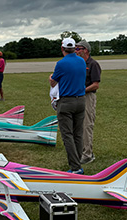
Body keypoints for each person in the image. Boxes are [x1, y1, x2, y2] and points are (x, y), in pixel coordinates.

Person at [49, 38, 86, 174]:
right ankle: (78, 161)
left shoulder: (61, 64)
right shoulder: (82, 61)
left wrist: (50, 78)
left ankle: (75, 167)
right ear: (75, 48)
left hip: (66, 102)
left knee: (67, 135)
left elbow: (53, 82)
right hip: (81, 100)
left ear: (62, 48)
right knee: (78, 133)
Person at [75, 40, 101, 165]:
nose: (75, 51)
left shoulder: (93, 64)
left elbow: (96, 85)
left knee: (87, 125)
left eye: (78, 49)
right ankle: (80, 151)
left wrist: (82, 90)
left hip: (88, 97)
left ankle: (88, 154)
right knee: (78, 126)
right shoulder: (78, 64)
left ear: (85, 50)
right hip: (77, 97)